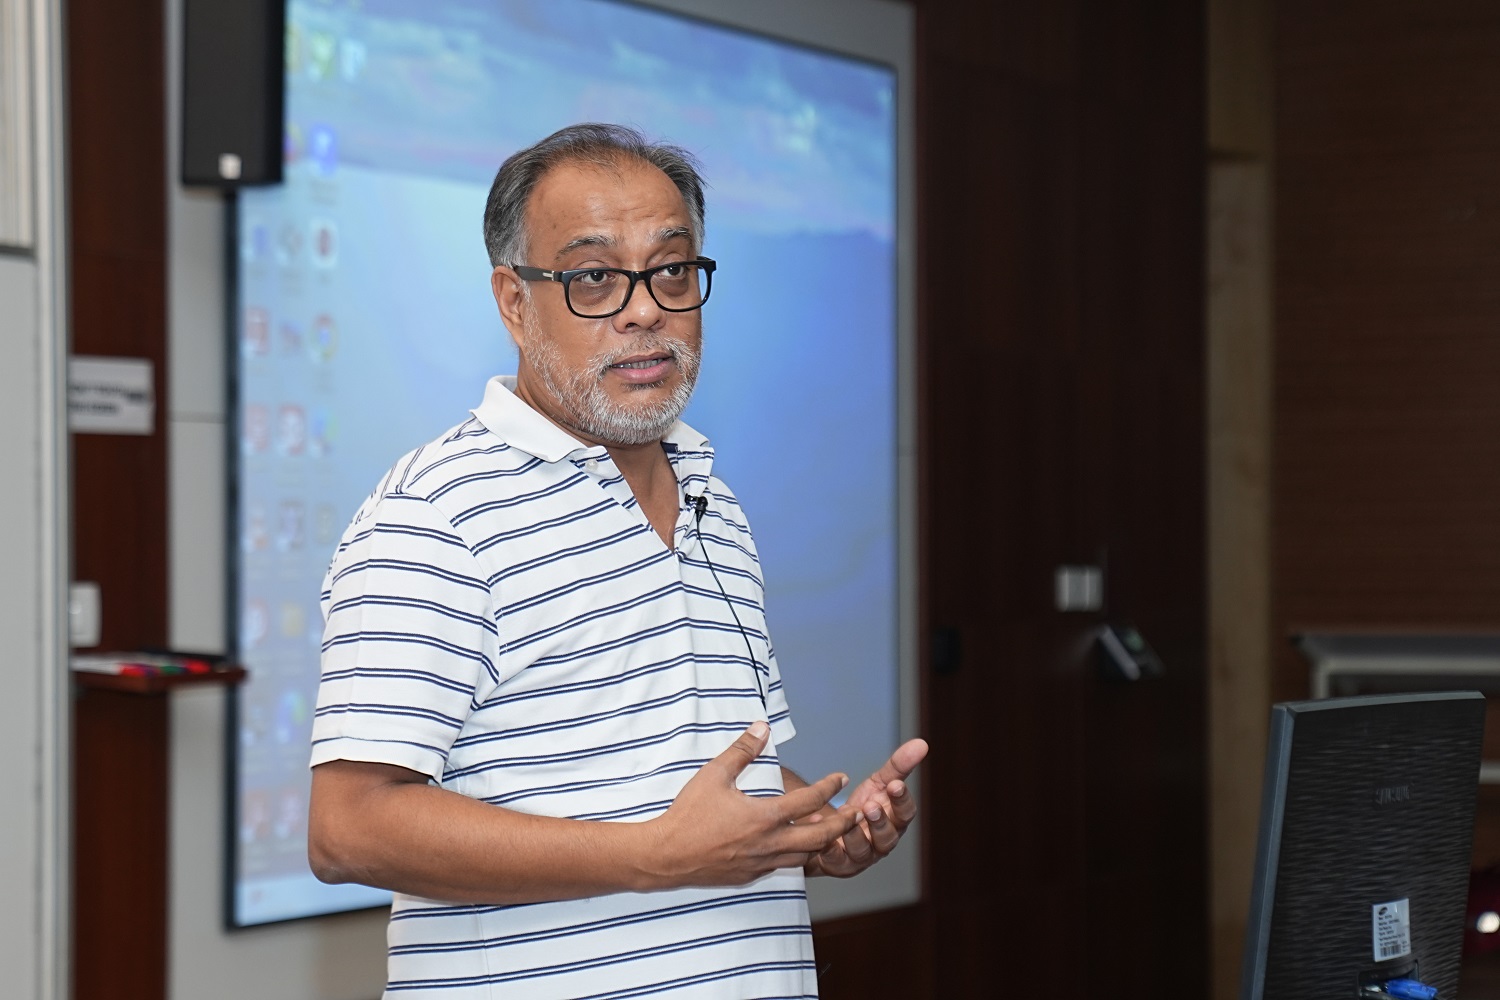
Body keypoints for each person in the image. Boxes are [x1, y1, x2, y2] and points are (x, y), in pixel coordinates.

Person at [307, 122, 927, 999]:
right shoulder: (436, 514)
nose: (645, 308)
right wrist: (649, 859)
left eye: (672, 270)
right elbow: (347, 828)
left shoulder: (716, 502)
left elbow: (700, 762)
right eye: (595, 275)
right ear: (515, 302)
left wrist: (822, 829)